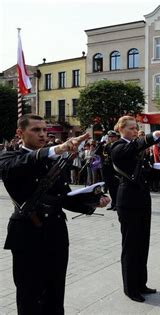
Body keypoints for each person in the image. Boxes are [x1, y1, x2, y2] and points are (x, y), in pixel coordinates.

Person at [0, 114, 109, 314]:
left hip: (56, 232)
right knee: (29, 295)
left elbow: (63, 196)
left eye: (44, 130)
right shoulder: (9, 158)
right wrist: (57, 149)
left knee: (55, 292)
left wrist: (92, 202)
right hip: (27, 234)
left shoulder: (51, 161)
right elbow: (17, 166)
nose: (42, 134)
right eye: (36, 130)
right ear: (20, 133)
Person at [111, 116, 160, 303]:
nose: (134, 130)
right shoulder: (117, 147)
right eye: (130, 128)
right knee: (131, 246)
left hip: (142, 199)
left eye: (135, 127)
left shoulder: (136, 148)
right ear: (121, 129)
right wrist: (156, 134)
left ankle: (141, 283)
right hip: (128, 201)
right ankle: (130, 288)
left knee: (142, 244)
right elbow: (133, 147)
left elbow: (145, 171)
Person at [102, 130, 120, 210]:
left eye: (112, 137)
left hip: (115, 169)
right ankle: (113, 203)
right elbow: (104, 155)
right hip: (108, 168)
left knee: (116, 187)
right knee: (111, 187)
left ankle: (118, 204)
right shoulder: (107, 146)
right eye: (109, 137)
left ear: (116, 137)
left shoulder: (119, 145)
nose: (111, 138)